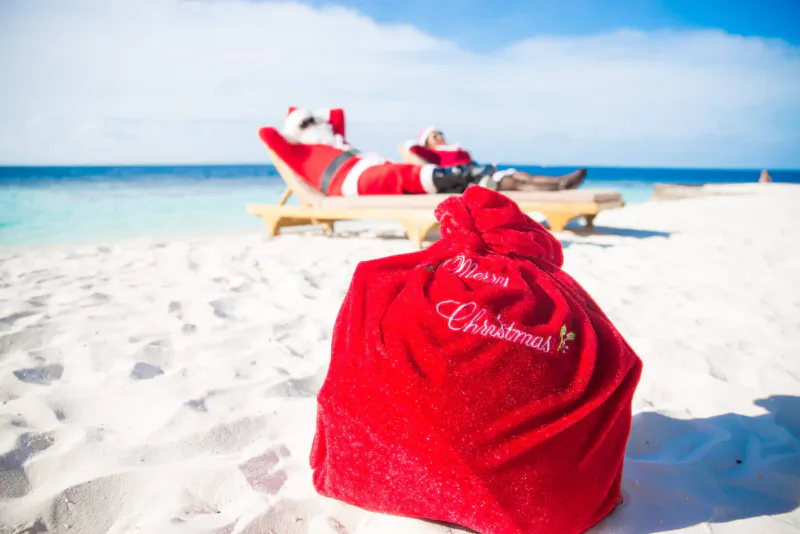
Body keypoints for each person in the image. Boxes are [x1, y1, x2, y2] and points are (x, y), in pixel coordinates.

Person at [258, 107, 521, 197]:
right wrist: (295, 125)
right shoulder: (296, 150)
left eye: (313, 121)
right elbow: (265, 134)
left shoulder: (333, 140)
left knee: (402, 172)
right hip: (345, 182)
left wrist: (315, 119)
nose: (313, 125)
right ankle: (470, 176)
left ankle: (469, 178)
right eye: (307, 124)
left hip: (367, 168)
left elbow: (337, 113)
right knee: (399, 176)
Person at [404, 127, 587, 191]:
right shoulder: (434, 154)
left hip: (480, 172)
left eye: (440, 134)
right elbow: (409, 147)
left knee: (521, 175)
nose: (440, 137)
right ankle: (559, 186)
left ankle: (561, 181)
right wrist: (425, 146)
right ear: (427, 142)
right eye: (434, 136)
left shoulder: (455, 149)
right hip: (472, 181)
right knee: (516, 182)